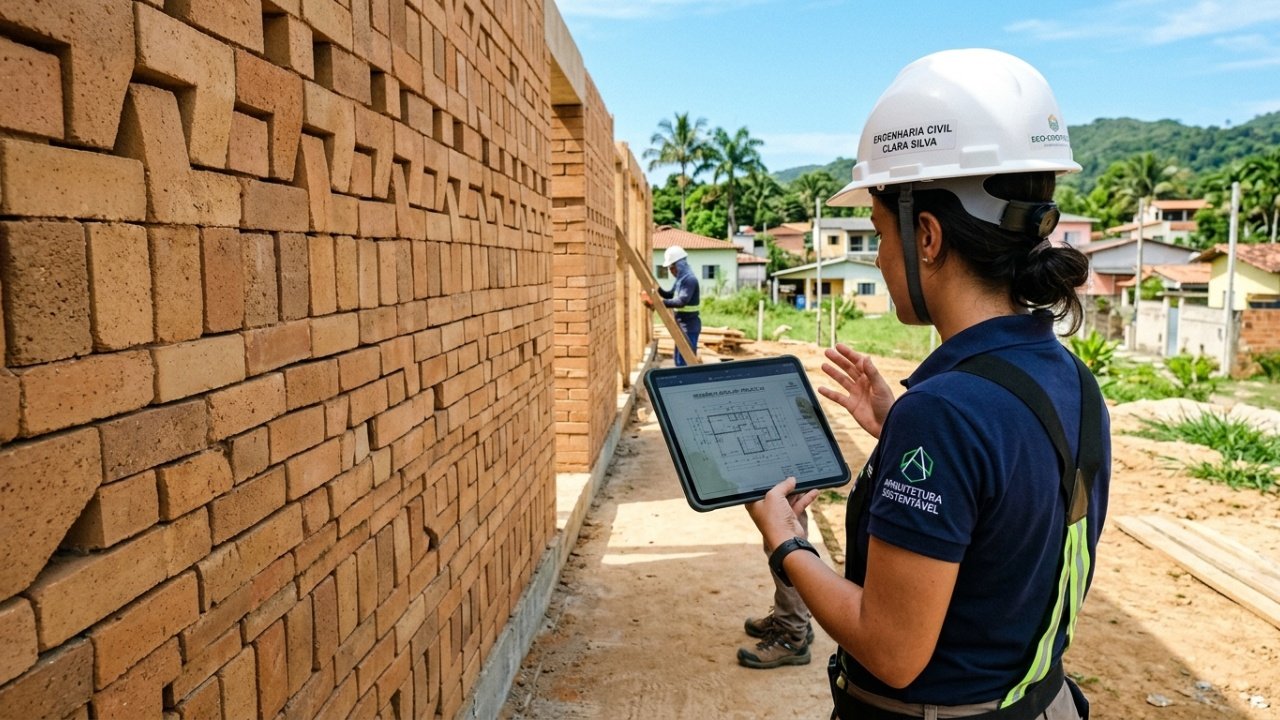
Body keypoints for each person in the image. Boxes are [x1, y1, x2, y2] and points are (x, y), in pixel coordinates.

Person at [745, 48, 1111, 719]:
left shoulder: (947, 413)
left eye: (882, 233)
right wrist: (901, 424)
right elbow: (1008, 498)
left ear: (929, 238)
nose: (880, 258)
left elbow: (891, 650)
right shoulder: (1067, 378)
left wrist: (786, 543)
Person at [652, 245, 701, 366]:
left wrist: (659, 304)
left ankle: (688, 384)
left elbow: (681, 301)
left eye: (671, 267)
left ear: (679, 265)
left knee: (685, 361)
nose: (670, 271)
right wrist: (657, 290)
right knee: (678, 361)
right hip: (681, 324)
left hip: (689, 326)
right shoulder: (680, 279)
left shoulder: (689, 280)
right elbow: (669, 295)